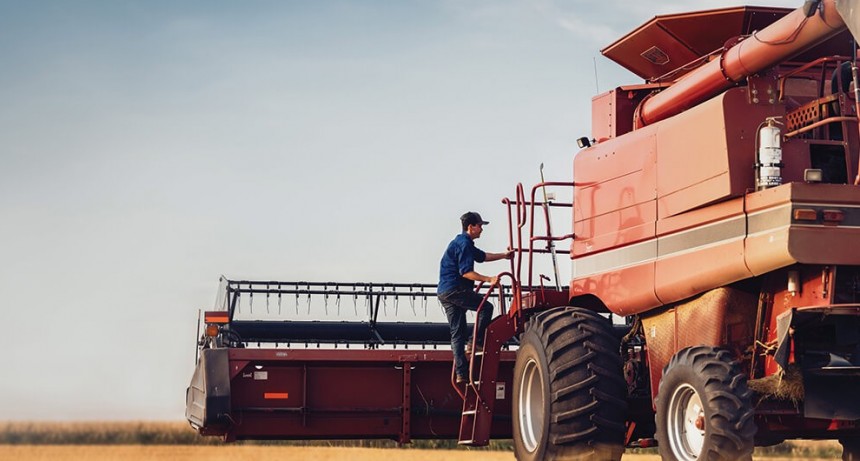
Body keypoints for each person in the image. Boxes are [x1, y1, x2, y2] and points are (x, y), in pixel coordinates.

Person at [438, 211, 513, 384]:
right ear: (471, 227)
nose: (482, 229)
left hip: (445, 292)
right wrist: (489, 279)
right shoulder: (464, 244)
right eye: (480, 226)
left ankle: (461, 373)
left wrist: (504, 255)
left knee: (457, 333)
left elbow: (483, 257)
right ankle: (475, 341)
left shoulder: (464, 243)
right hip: (455, 289)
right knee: (486, 308)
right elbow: (466, 273)